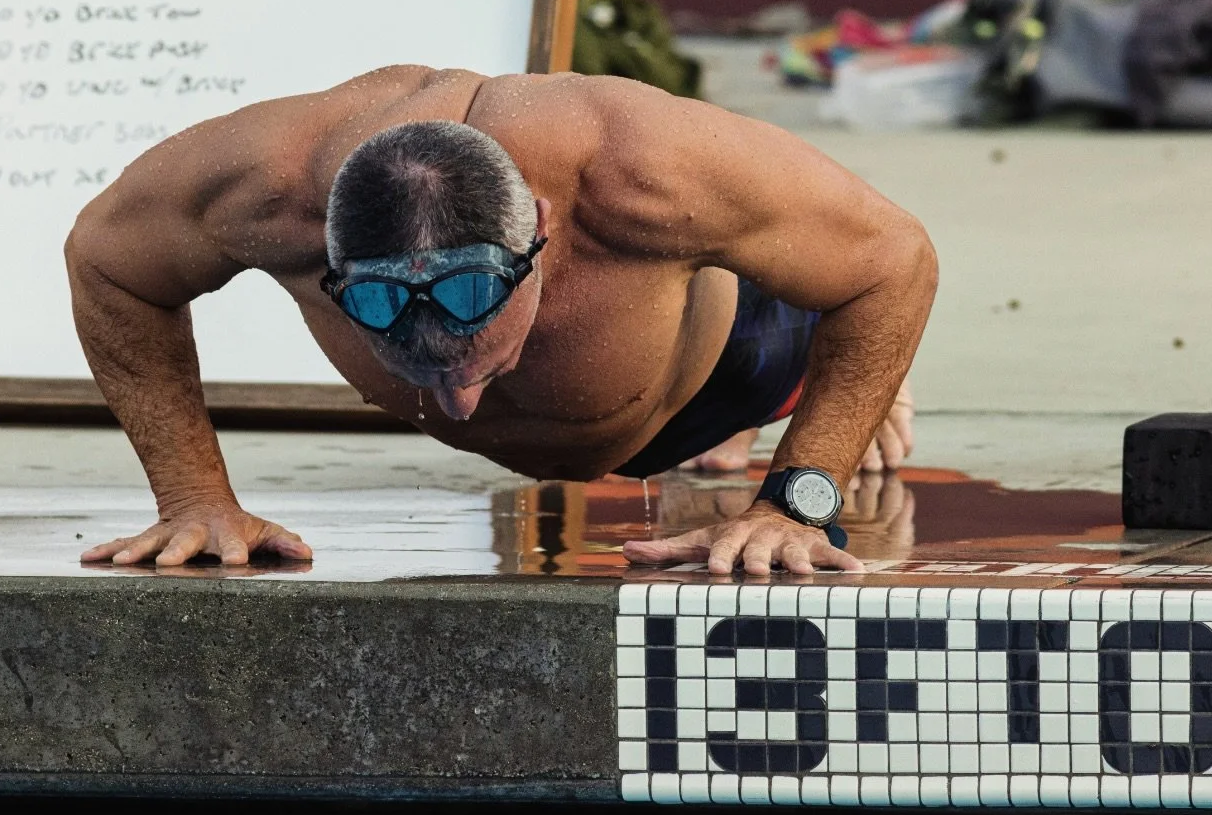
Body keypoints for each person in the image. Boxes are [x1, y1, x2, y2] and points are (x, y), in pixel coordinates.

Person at [66, 66, 935, 576]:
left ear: (544, 231)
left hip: (731, 360)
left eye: (476, 363)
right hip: (642, 363)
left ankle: (847, 394)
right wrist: (194, 498)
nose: (461, 410)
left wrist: (799, 497)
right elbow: (105, 261)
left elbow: (898, 261)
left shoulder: (647, 172)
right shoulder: (263, 190)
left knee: (838, 317)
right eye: (423, 375)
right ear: (328, 259)